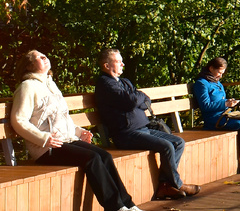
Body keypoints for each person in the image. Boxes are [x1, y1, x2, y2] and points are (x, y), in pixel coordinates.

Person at [12, 51, 143, 211]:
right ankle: (115, 207)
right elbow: (18, 120)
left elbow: (60, 118)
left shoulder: (50, 84)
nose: (45, 57)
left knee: (105, 156)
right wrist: (43, 139)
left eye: (45, 55)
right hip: (46, 148)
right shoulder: (27, 87)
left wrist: (78, 132)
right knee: (92, 158)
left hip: (65, 140)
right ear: (29, 66)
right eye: (39, 57)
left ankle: (128, 204)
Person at [95, 49, 199, 200]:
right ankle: (176, 184)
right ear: (106, 65)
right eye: (118, 61)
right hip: (126, 134)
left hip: (143, 129)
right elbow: (131, 101)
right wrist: (137, 97)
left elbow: (145, 101)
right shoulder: (105, 84)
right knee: (167, 146)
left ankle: (165, 186)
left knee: (178, 142)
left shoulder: (124, 82)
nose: (123, 64)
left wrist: (137, 97)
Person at [191, 57, 240, 174]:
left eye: (222, 73)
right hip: (213, 119)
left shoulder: (218, 83)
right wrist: (225, 103)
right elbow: (205, 106)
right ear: (211, 68)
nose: (220, 76)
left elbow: (221, 101)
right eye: (219, 72)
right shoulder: (201, 83)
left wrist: (229, 102)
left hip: (225, 115)